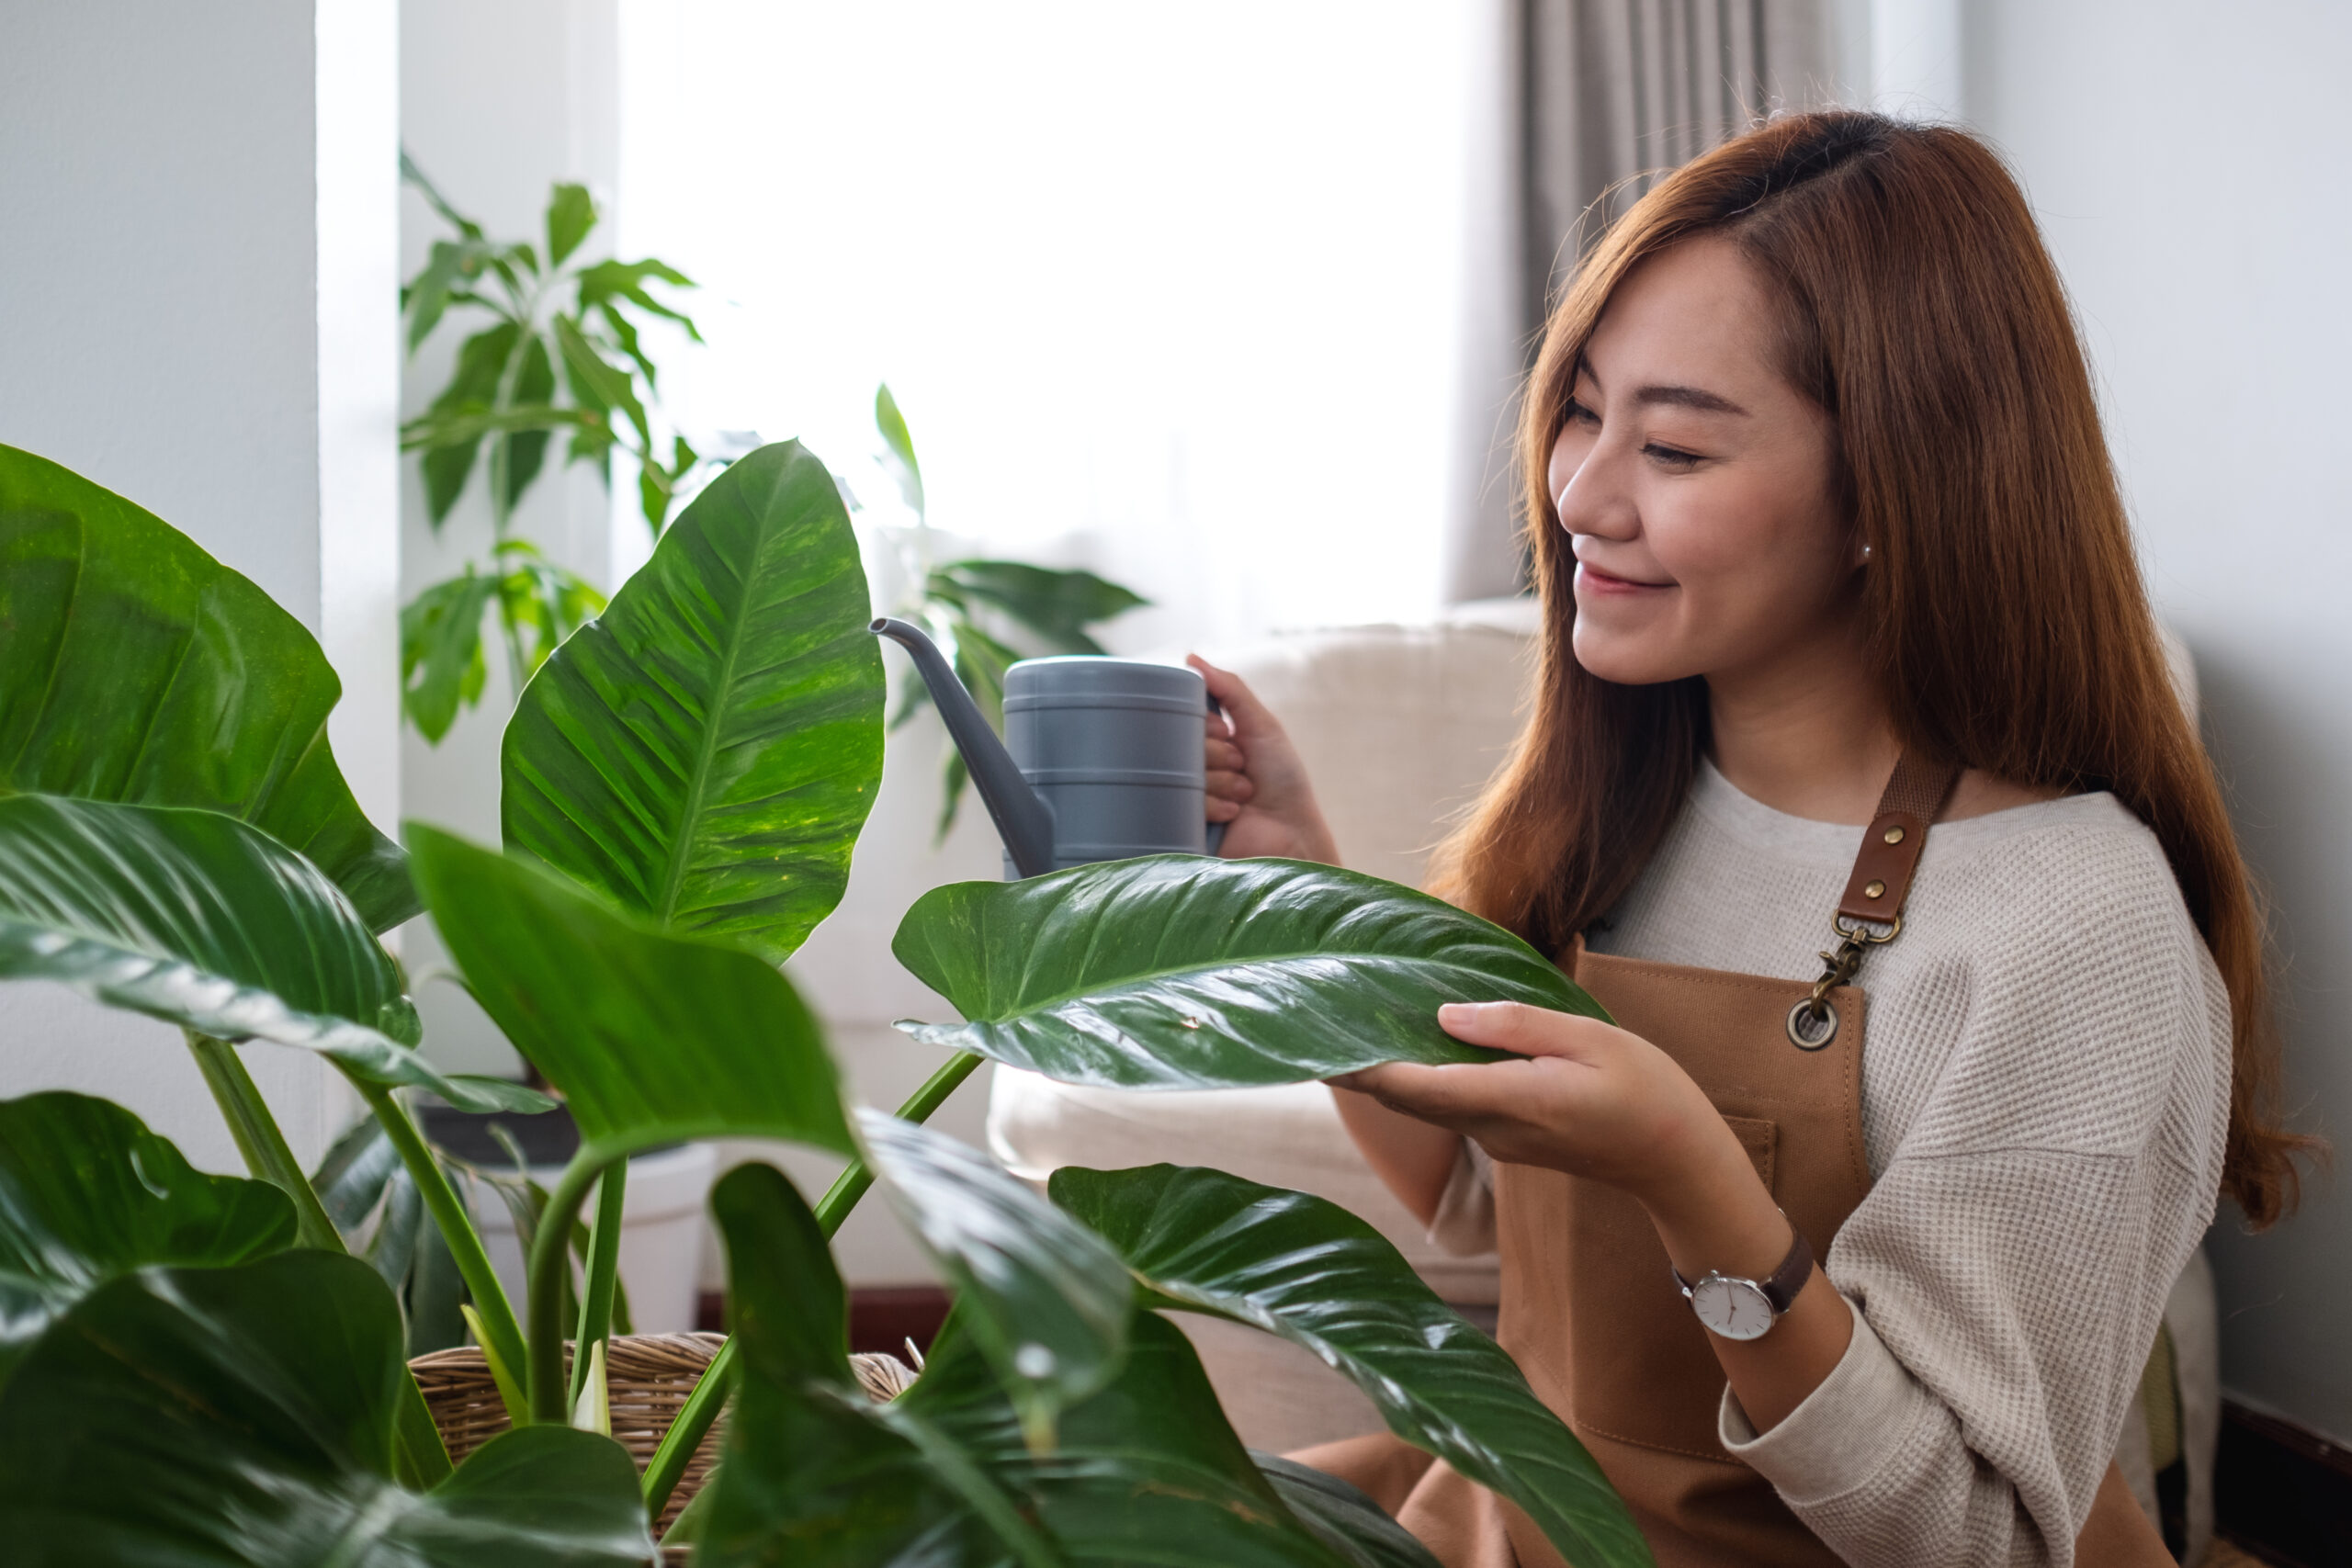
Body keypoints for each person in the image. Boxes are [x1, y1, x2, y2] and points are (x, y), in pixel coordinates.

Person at [1188, 110, 2311, 1568]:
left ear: (1888, 495)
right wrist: (1302, 892)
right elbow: (1472, 1204)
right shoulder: (1628, 790)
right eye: (1581, 411)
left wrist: (1691, 1176)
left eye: (1673, 445)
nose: (1579, 497)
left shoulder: (2072, 927)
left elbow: (1978, 1538)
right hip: (1520, 1513)